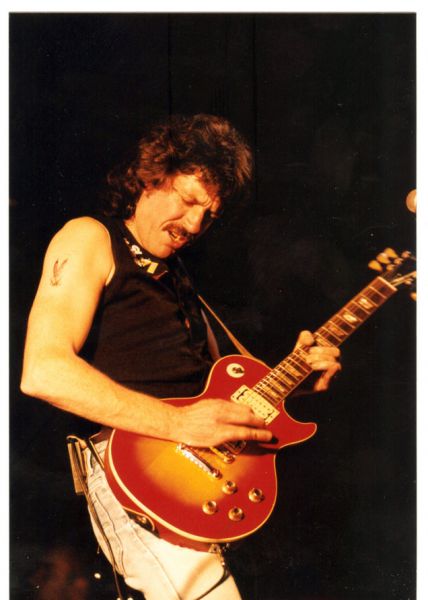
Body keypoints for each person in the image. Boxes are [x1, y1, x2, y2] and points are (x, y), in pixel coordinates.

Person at [21, 114, 341, 600]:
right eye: (189, 201)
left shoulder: (181, 279)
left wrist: (295, 382)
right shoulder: (90, 237)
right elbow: (43, 371)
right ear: (150, 177)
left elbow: (224, 395)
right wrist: (179, 424)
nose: (195, 224)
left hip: (202, 481)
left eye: (208, 215)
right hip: (137, 475)